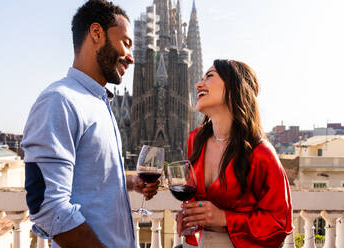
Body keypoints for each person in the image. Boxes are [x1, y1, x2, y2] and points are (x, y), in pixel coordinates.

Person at [21, 1, 159, 247]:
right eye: (126, 43)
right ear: (96, 33)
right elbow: (47, 207)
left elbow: (87, 174)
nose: (131, 58)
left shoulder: (99, 103)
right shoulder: (59, 100)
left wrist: (127, 181)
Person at [178, 59, 293, 247]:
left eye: (209, 76)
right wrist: (189, 217)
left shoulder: (260, 152)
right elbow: (194, 198)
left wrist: (225, 218)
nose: (199, 84)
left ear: (234, 87)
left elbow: (280, 223)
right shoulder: (195, 139)